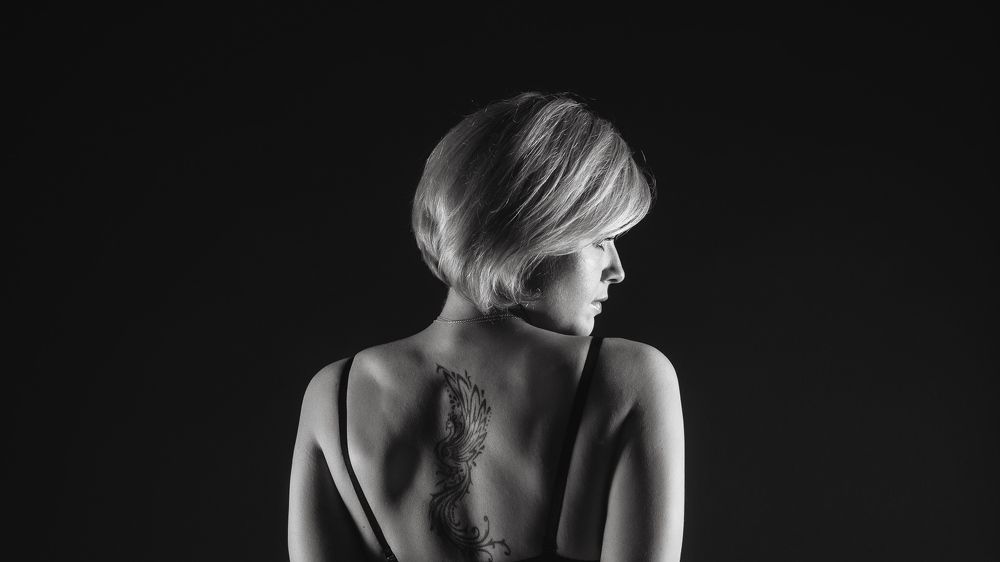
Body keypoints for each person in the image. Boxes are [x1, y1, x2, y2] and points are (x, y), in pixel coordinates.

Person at [288, 92, 684, 561]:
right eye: (600, 239)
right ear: (536, 230)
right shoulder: (627, 378)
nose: (616, 270)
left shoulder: (332, 397)